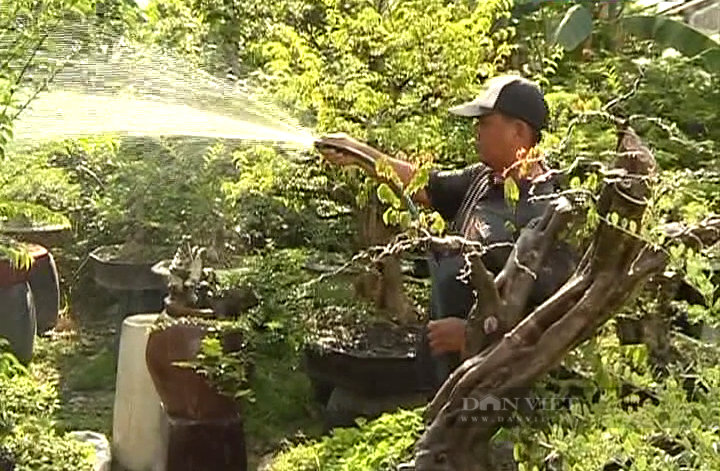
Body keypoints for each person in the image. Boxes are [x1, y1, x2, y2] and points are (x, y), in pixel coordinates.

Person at [316, 75, 575, 395]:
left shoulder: (549, 208)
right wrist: (359, 153)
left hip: (497, 391)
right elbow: (422, 184)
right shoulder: (481, 179)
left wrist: (475, 334)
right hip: (445, 374)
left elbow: (559, 313)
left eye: (484, 122)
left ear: (518, 131)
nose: (476, 131)